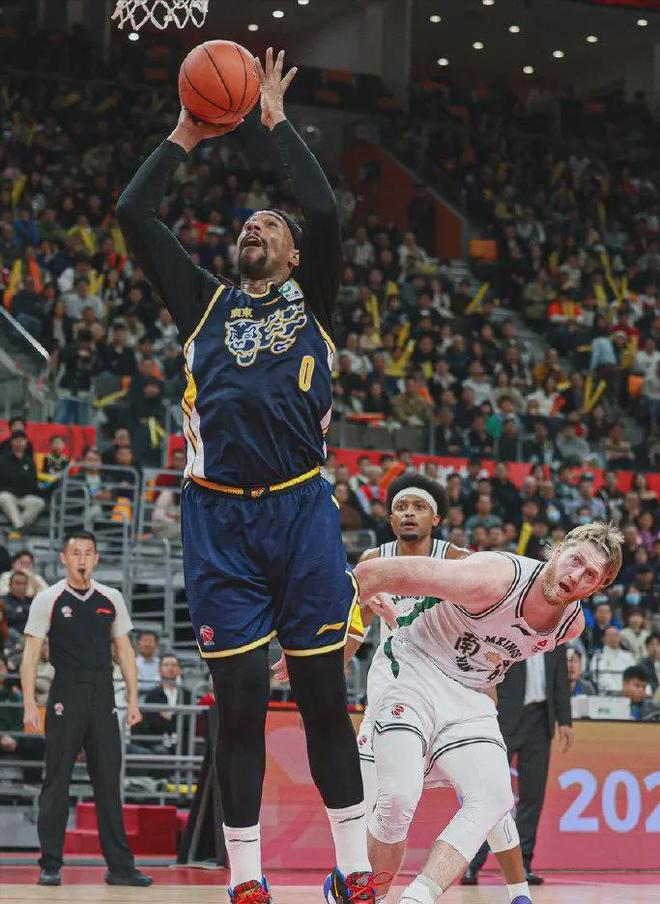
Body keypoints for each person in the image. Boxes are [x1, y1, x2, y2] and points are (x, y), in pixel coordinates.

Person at [117, 48, 375, 904]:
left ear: (296, 256)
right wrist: (185, 135)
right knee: (238, 705)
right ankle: (246, 879)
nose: (255, 229)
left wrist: (276, 124)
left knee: (323, 698)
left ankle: (354, 869)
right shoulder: (204, 304)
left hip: (301, 513)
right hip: (219, 519)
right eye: (248, 226)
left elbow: (323, 209)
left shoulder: (315, 300)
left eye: (271, 225)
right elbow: (134, 212)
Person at [353, 521, 623, 904]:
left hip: (471, 693)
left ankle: (418, 898)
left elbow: (491, 649)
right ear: (558, 550)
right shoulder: (494, 576)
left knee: (495, 797)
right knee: (397, 797)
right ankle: (367, 896)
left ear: (598, 587)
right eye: (575, 560)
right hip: (415, 667)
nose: (576, 576)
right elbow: (370, 573)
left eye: (590, 575)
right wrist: (314, 644)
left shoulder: (571, 625)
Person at [353, 475, 534, 903]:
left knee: (489, 796)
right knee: (381, 803)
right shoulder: (374, 560)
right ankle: (365, 889)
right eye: (401, 507)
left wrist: (487, 688)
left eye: (418, 507)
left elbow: (483, 633)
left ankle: (519, 892)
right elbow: (354, 630)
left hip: (453, 687)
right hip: (398, 686)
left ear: (436, 518)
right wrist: (320, 684)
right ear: (390, 517)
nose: (408, 513)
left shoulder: (459, 560)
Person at [20, 531, 152, 888]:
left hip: (103, 694)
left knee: (108, 783)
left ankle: (121, 868)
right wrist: (30, 703)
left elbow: (125, 651)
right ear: (64, 558)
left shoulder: (111, 598)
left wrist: (134, 700)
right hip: (66, 692)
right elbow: (30, 655)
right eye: (76, 553)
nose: (82, 559)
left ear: (96, 559)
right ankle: (50, 864)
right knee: (57, 781)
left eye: (88, 553)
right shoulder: (48, 599)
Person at [467, 644, 573, 886]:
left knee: (533, 796)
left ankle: (523, 864)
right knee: (489, 794)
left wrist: (565, 720)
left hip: (540, 721)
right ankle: (472, 862)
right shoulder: (512, 630)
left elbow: (560, 679)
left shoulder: (557, 637)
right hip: (505, 717)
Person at [133, 653, 191, 754]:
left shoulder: (187, 695)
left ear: (179, 670)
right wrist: (175, 718)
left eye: (174, 665)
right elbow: (153, 722)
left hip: (183, 741)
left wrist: (169, 717)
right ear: (159, 670)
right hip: (158, 741)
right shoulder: (152, 695)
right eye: (166, 665)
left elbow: (188, 722)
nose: (170, 668)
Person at [0, 431, 45, 539]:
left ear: (26, 443)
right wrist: (21, 478)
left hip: (25, 496)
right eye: (16, 440)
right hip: (9, 495)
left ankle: (17, 529)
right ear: (12, 442)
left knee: (39, 502)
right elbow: (4, 480)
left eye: (22, 440)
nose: (19, 443)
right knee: (3, 497)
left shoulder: (29, 462)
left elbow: (33, 482)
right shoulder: (3, 460)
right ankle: (20, 527)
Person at [590, 626, 635, 694]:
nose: (613, 638)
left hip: (627, 693)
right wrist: (617, 692)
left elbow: (634, 675)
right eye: (610, 635)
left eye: (616, 635)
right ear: (603, 639)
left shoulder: (628, 656)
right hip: (606, 694)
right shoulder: (598, 656)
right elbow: (600, 678)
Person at [135, 630, 160, 695]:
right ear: (138, 644)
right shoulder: (131, 663)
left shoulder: (162, 664)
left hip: (159, 697)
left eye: (150, 641)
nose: (147, 644)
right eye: (144, 641)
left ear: (156, 645)